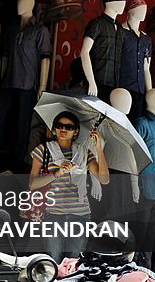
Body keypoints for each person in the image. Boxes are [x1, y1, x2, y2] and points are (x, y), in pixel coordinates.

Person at [28, 111, 109, 259]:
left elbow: (104, 179)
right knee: (54, 261)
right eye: (59, 126)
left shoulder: (84, 152)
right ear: (54, 129)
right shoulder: (43, 150)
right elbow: (33, 184)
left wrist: (98, 148)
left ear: (76, 131)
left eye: (68, 127)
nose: (63, 130)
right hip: (53, 215)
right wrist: (56, 173)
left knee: (74, 263)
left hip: (80, 215)